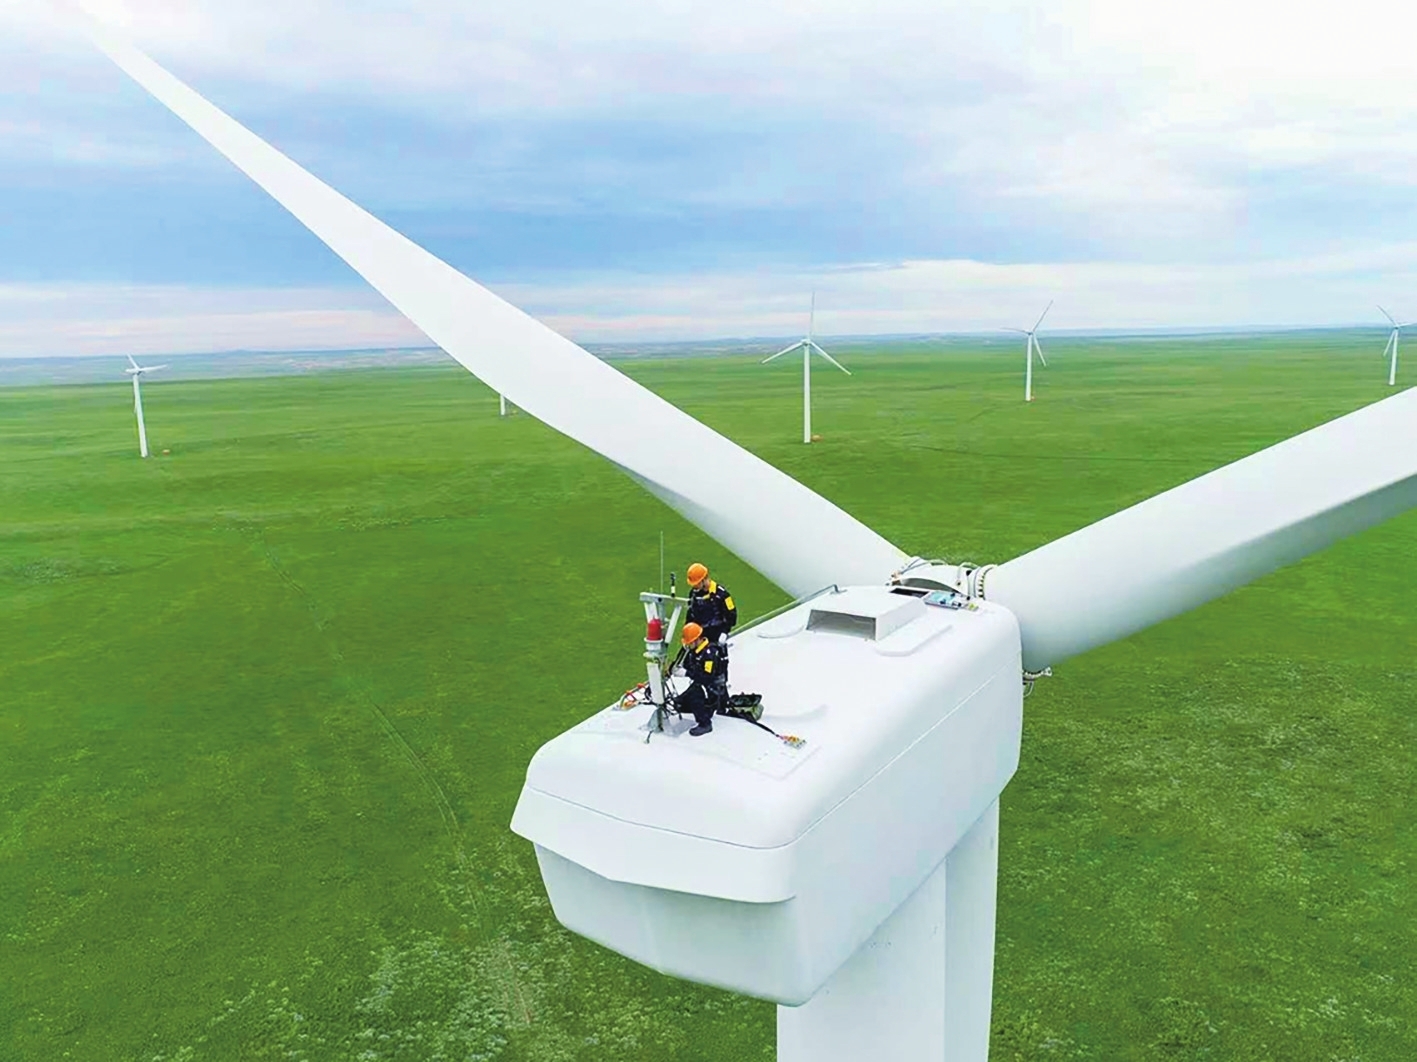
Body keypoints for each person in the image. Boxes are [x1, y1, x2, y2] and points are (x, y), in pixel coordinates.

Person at [676, 622, 726, 737]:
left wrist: (686, 673)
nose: (688, 645)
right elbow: (688, 665)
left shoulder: (709, 655)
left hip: (712, 690)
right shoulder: (695, 651)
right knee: (680, 703)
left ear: (697, 640)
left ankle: (705, 723)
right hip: (700, 684)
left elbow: (707, 678)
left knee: (695, 695)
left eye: (689, 643)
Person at [686, 562, 737, 645]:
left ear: (703, 580)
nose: (694, 587)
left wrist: (725, 632)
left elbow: (731, 616)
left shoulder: (721, 595)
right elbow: (690, 615)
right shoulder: (693, 594)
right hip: (699, 638)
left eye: (697, 584)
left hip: (717, 636)